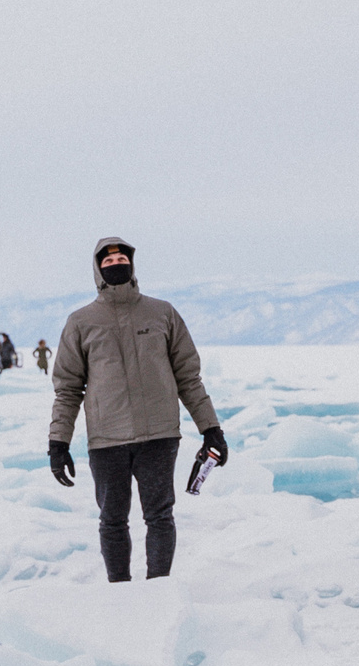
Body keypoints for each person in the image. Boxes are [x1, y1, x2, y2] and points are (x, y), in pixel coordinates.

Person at [47, 236, 227, 581]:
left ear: (131, 264)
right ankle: (120, 593)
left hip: (158, 435)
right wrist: (58, 443)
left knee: (160, 517)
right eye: (108, 262)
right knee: (112, 520)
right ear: (98, 269)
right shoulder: (81, 322)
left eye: (121, 261)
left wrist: (211, 429)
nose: (116, 266)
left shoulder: (162, 313)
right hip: (106, 439)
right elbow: (67, 389)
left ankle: (158, 589)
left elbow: (189, 378)